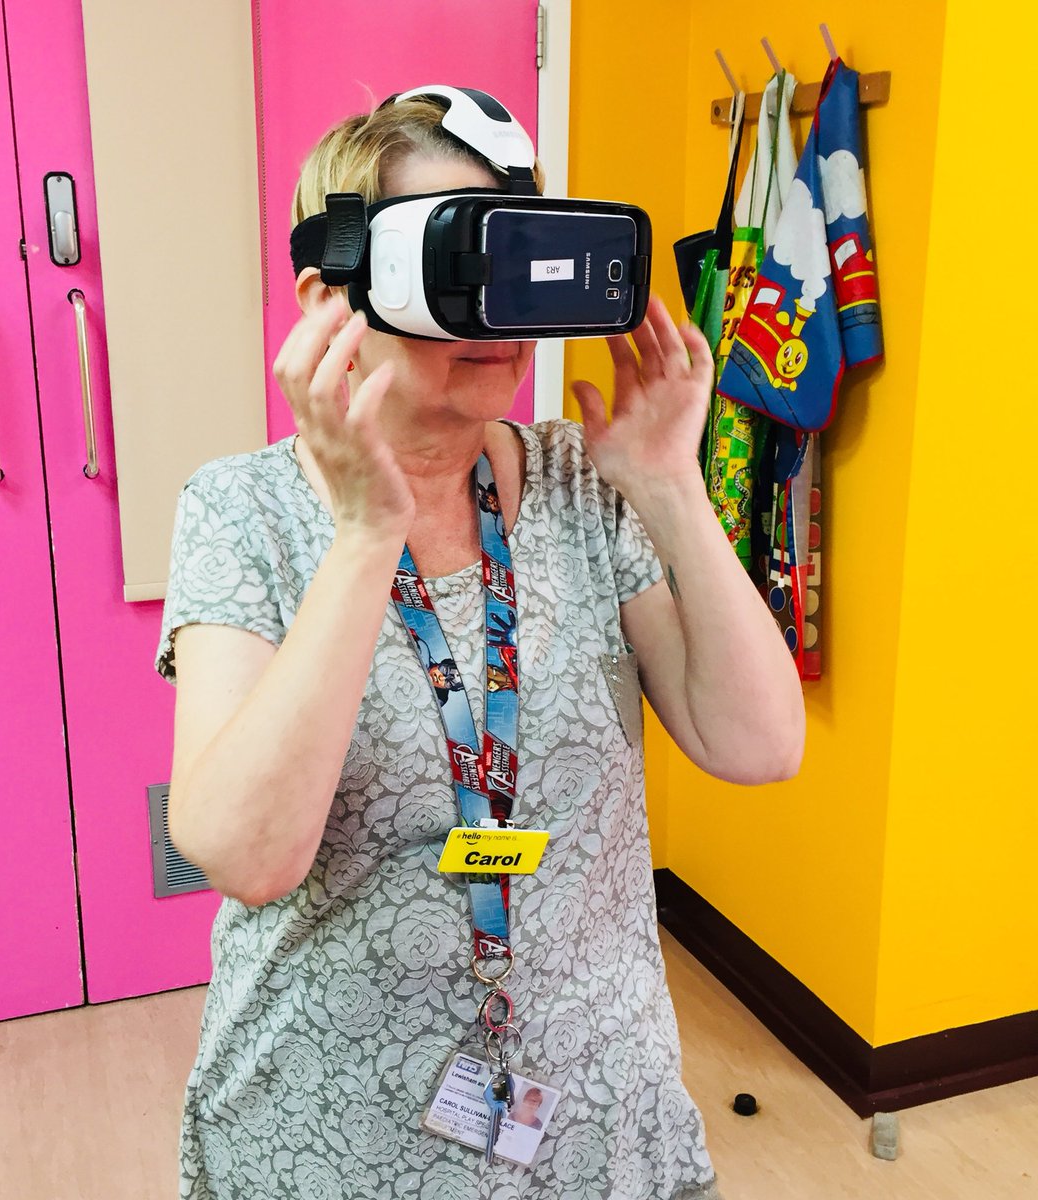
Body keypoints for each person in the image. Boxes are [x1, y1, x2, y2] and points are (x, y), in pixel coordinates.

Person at [155, 92, 804, 1200]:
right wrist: (370, 531)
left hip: (594, 1112)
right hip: (336, 1127)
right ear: (332, 297)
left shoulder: (575, 482)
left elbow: (757, 743)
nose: (495, 315)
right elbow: (243, 855)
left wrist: (669, 487)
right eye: (457, 262)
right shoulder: (243, 512)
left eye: (516, 255)